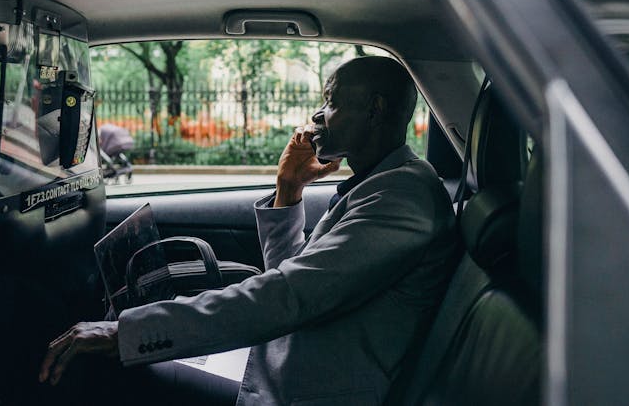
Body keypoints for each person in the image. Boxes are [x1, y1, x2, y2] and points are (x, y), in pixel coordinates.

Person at [39, 55, 458, 405]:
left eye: (331, 102)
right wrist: (289, 188)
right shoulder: (378, 184)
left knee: (115, 368)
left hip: (310, 391)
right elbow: (294, 278)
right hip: (288, 367)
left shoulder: (402, 196)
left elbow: (289, 296)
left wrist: (124, 331)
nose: (317, 115)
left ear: (376, 109)